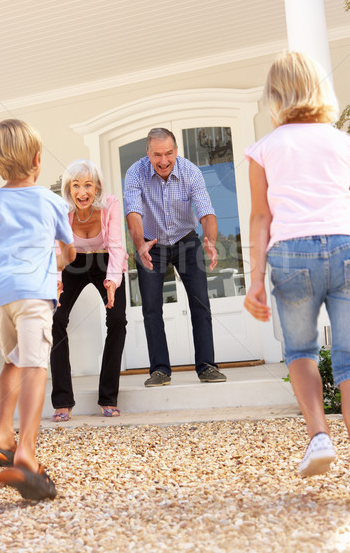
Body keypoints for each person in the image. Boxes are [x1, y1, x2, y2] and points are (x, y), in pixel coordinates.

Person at [0, 119, 76, 500]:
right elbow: (69, 251)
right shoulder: (52, 201)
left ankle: (3, 434)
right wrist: (59, 262)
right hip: (31, 294)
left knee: (13, 362)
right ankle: (25, 454)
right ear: (38, 159)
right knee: (37, 365)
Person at [244, 51, 350, 477]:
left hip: (291, 253)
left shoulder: (264, 149)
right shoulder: (342, 141)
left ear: (274, 97)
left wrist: (254, 280)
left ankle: (319, 437)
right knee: (349, 359)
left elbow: (259, 217)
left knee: (301, 350)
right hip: (346, 243)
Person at [124, 127, 227, 387]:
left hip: (185, 239)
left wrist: (210, 241)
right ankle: (160, 370)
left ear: (176, 151)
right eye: (157, 154)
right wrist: (140, 245)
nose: (163, 160)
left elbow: (205, 210)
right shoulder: (135, 173)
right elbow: (133, 213)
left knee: (200, 302)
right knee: (151, 308)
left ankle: (207, 366)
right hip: (151, 242)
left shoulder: (190, 171)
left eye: (169, 153)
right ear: (147, 153)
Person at [50, 159, 128, 419]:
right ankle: (62, 401)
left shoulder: (111, 204)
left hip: (106, 261)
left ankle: (108, 397)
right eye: (75, 185)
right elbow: (56, 248)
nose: (82, 192)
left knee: (117, 319)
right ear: (68, 188)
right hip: (72, 262)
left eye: (88, 185)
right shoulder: (61, 210)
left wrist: (112, 281)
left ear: (97, 187)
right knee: (56, 318)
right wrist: (57, 281)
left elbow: (116, 245)